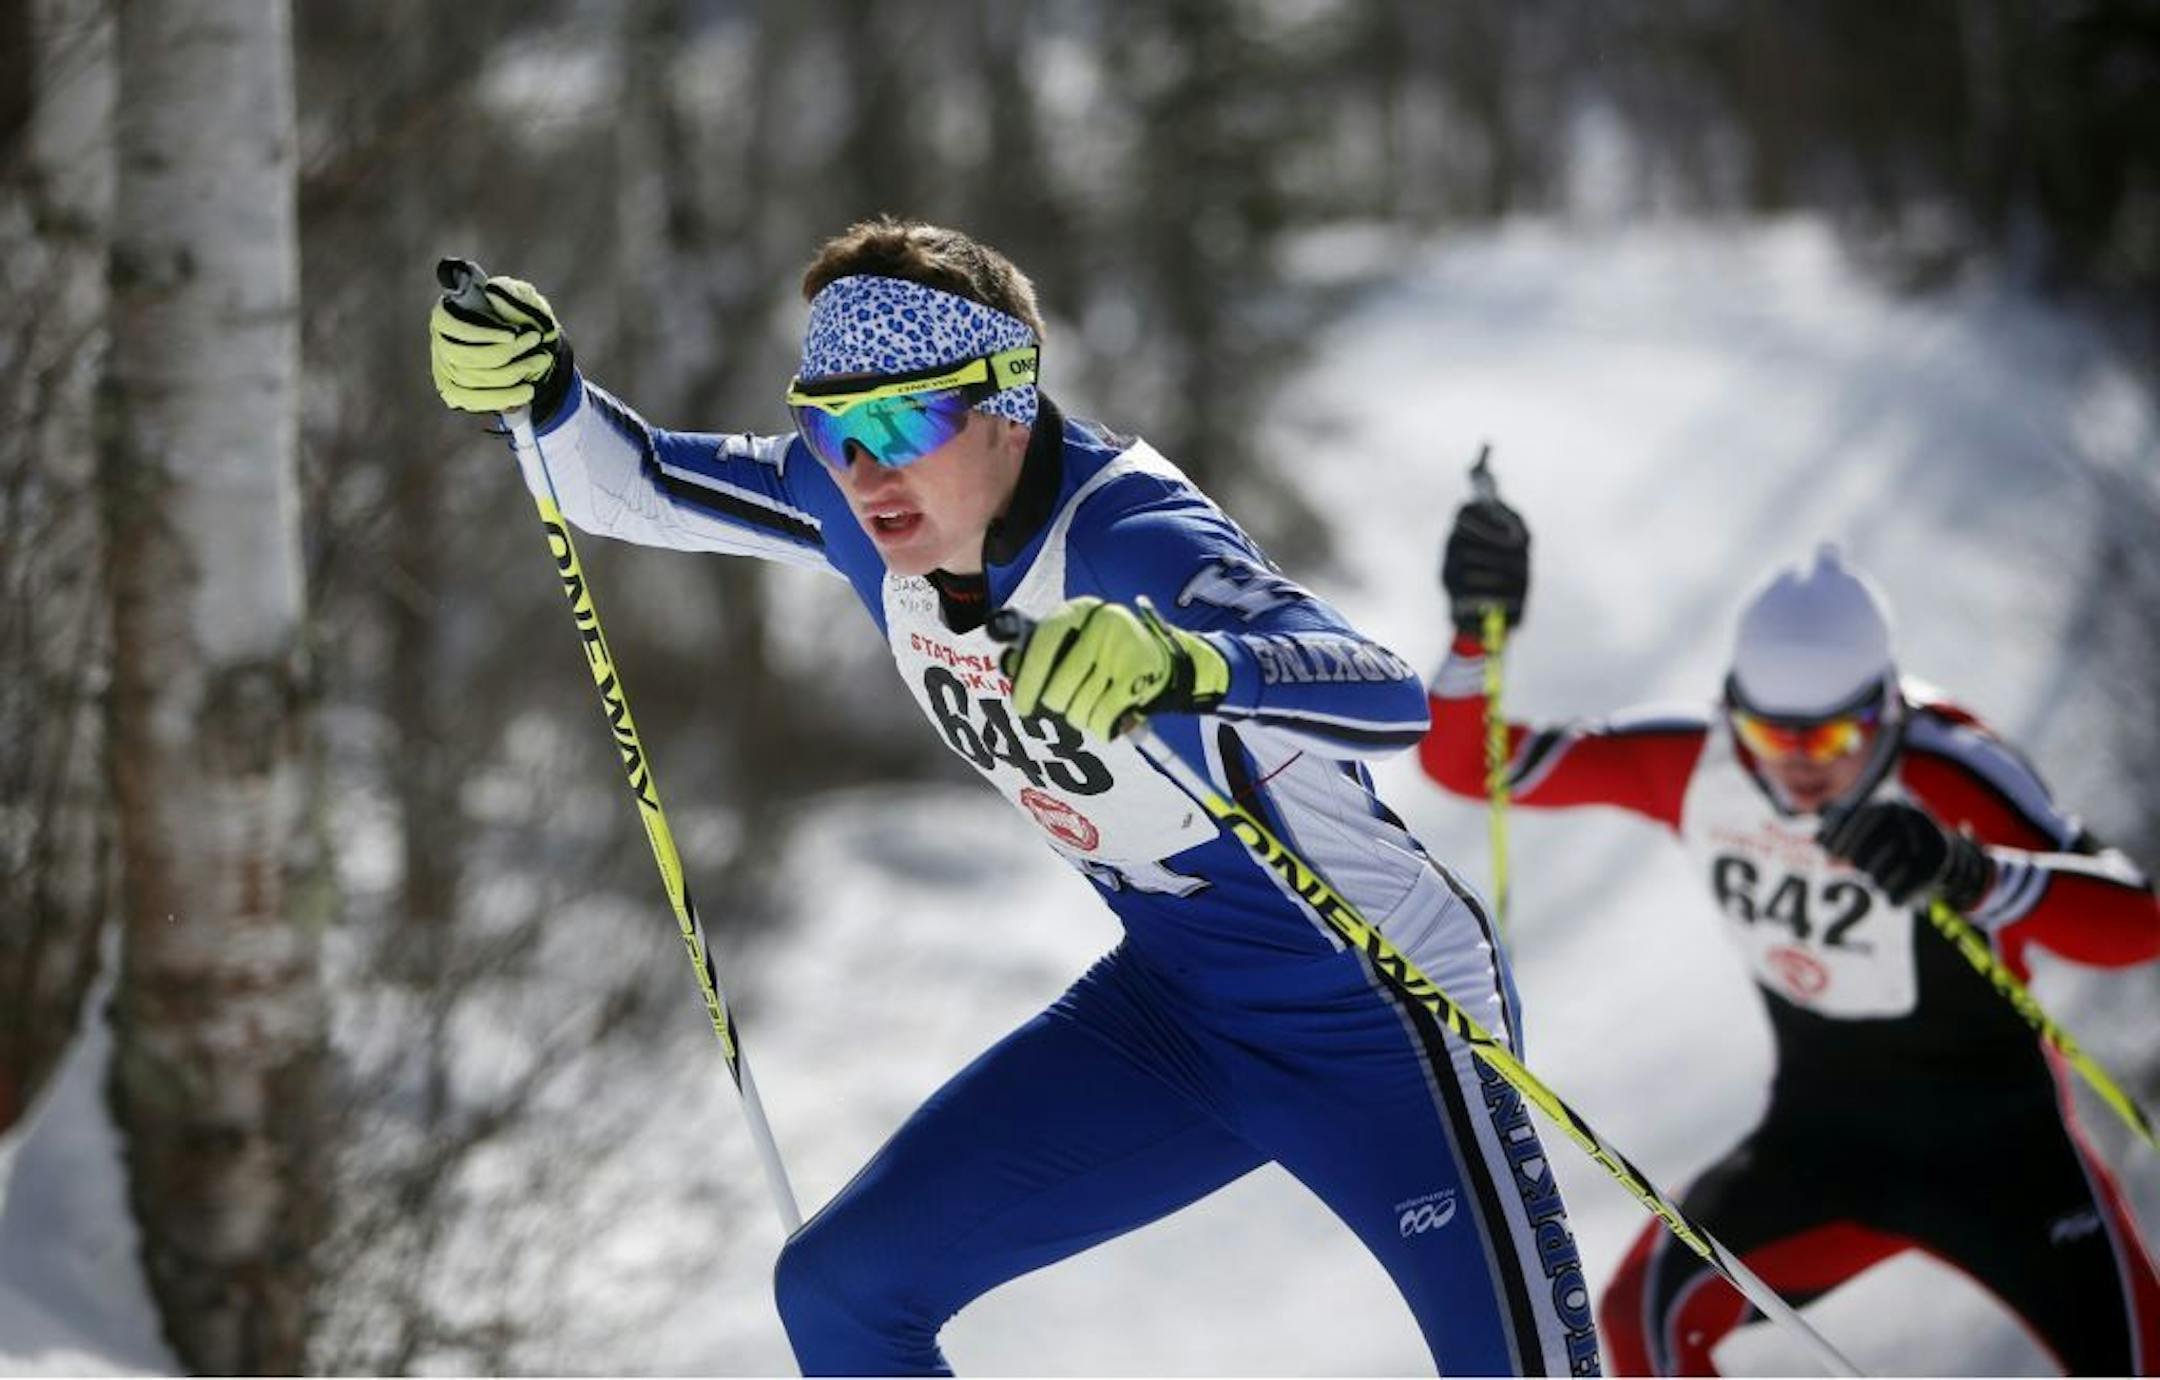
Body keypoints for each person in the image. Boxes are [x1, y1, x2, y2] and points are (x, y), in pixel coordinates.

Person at [428, 217, 1601, 1377]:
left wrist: (1186, 664)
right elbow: (630, 484)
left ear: (1008, 403)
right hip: (1177, 1006)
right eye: (830, 424)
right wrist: (540, 391)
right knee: (843, 1290)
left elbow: (1389, 696)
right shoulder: (862, 505)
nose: (863, 468)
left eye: (902, 418)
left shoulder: (1132, 538)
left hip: (1379, 1011)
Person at [1420, 496, 2160, 1375]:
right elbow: (1468, 764)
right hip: (1821, 1140)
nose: (1802, 764)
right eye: (1771, 734)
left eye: (1838, 735)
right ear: (1734, 709)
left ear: (1886, 711)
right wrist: (1477, 635)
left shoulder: (1946, 767)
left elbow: (2137, 926)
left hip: (2004, 1151)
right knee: (1640, 1320)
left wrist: (1973, 873)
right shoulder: (1693, 760)